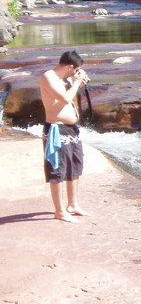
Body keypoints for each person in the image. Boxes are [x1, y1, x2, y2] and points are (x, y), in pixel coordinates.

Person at [39, 50, 91, 223]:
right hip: (56, 129)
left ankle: (73, 204)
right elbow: (64, 99)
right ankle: (59, 211)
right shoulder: (49, 77)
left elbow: (71, 100)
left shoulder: (66, 80)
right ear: (70, 66)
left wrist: (77, 83)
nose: (76, 73)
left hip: (71, 129)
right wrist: (76, 83)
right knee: (58, 169)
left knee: (75, 167)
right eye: (76, 70)